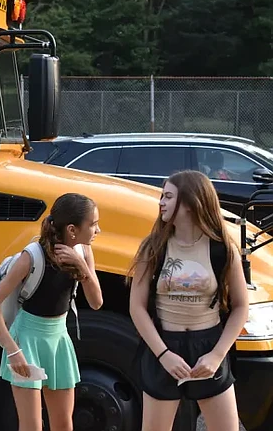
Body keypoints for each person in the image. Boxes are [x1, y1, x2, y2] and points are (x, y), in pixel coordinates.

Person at [127, 170, 249, 431]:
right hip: (164, 347)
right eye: (162, 196)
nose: (160, 202)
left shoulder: (223, 248)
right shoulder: (153, 247)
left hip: (208, 346)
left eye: (168, 196)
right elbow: (136, 307)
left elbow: (241, 306)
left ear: (191, 203)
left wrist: (217, 355)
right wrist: (163, 355)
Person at [0, 193, 103, 431]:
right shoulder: (32, 256)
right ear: (72, 229)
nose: (97, 230)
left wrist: (82, 268)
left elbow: (96, 302)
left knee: (63, 425)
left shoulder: (84, 252)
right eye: (93, 224)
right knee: (31, 426)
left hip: (58, 340)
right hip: (26, 342)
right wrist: (13, 351)